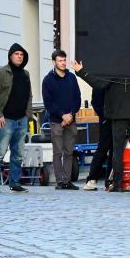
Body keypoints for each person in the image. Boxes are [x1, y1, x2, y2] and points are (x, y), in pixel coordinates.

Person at [73, 62, 130, 193]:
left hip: (117, 114)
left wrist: (81, 71)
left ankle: (117, 183)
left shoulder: (113, 69)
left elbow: (99, 83)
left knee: (117, 150)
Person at [0, 43, 32, 193]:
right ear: (10, 56)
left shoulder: (26, 74)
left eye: (21, 54)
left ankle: (15, 182)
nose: (19, 56)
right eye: (16, 54)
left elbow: (29, 96)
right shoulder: (1, 73)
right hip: (5, 120)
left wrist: (28, 115)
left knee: (18, 154)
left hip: (21, 119)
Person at [42, 49, 81, 190]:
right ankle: (60, 182)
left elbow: (77, 99)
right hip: (56, 121)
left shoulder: (71, 78)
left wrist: (70, 115)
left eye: (64, 60)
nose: (63, 63)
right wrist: (62, 115)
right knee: (58, 152)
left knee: (69, 152)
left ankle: (67, 180)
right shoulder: (48, 80)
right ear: (54, 62)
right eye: (60, 60)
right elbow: (48, 103)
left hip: (71, 120)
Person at [83, 87, 113, 190]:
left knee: (115, 150)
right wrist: (103, 115)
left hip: (117, 119)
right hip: (106, 119)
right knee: (103, 148)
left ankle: (110, 180)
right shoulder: (100, 80)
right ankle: (92, 178)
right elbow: (95, 101)